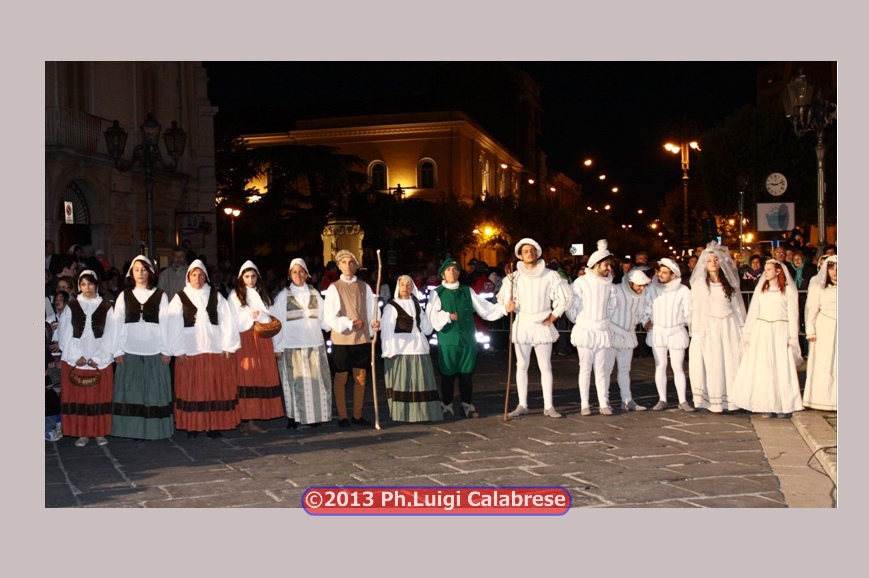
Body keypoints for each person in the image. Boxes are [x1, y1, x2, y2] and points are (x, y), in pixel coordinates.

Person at [167, 260, 241, 438]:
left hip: (213, 350)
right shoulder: (180, 297)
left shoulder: (216, 296)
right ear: (188, 277)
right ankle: (193, 426)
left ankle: (213, 425)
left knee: (213, 389)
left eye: (201, 275)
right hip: (190, 351)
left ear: (206, 277)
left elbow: (227, 321)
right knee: (192, 390)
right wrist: (178, 350)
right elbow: (173, 325)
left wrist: (228, 345)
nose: (198, 278)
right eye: (194, 275)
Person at [500, 238, 573, 418]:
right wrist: (509, 306)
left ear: (537, 253)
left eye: (532, 250)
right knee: (521, 365)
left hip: (542, 324)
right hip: (523, 324)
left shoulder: (550, 275)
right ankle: (522, 404)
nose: (529, 253)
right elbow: (503, 299)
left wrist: (554, 315)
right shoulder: (513, 277)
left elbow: (565, 297)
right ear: (520, 255)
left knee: (545, 366)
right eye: (525, 251)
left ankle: (548, 406)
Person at [428, 257, 507, 418]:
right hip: (448, 340)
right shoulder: (437, 293)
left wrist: (504, 308)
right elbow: (432, 316)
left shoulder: (467, 290)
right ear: (443, 274)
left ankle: (466, 406)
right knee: (448, 375)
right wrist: (448, 316)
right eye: (449, 270)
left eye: (455, 270)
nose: (452, 272)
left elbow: (485, 308)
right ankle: (447, 405)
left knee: (466, 374)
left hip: (467, 339)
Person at [109, 255, 175, 440]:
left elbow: (165, 323)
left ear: (150, 272)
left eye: (144, 269)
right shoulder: (124, 296)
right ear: (131, 273)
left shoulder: (160, 295)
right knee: (132, 393)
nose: (140, 273)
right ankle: (133, 430)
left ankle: (155, 430)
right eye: (136, 269)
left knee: (153, 393)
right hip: (130, 350)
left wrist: (166, 349)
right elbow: (117, 324)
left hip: (154, 350)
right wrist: (117, 350)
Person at [729, 259, 803, 418]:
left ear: (778, 271)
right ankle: (766, 404)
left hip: (780, 331)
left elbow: (793, 316)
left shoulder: (788, 291)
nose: (766, 272)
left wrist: (792, 338)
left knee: (780, 367)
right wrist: (748, 334)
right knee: (765, 367)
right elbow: (753, 312)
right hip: (762, 331)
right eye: (765, 269)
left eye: (769, 269)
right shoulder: (761, 290)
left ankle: (782, 405)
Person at [271, 258, 333, 428]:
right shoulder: (283, 296)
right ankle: (294, 417)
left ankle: (314, 417)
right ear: (290, 275)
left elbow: (325, 319)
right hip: (292, 347)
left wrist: (337, 323)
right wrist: (278, 347)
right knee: (294, 384)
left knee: (315, 383)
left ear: (307, 274)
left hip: (314, 345)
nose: (298, 275)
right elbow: (277, 322)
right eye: (294, 272)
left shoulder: (315, 294)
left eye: (301, 272)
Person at [57, 269, 116, 447]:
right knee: (80, 398)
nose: (87, 287)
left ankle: (99, 432)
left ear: (96, 285)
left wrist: (99, 357)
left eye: (90, 283)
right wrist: (76, 356)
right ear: (79, 286)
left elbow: (111, 334)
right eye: (83, 284)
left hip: (99, 357)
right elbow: (64, 334)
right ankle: (82, 432)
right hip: (78, 357)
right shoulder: (72, 306)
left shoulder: (106, 307)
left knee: (98, 396)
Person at [688, 241, 746, 413]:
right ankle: (715, 400)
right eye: (709, 261)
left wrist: (743, 328)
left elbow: (737, 307)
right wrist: (697, 332)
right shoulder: (700, 285)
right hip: (710, 327)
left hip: (729, 326)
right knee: (714, 362)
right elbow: (696, 309)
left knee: (731, 361)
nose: (713, 263)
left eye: (715, 260)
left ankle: (733, 400)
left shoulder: (729, 283)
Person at [324, 250, 380, 427]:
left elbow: (372, 310)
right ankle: (342, 416)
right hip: (342, 339)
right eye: (344, 262)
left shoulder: (365, 286)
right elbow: (329, 315)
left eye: (351, 262)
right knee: (341, 378)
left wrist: (374, 323)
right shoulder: (334, 287)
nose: (348, 265)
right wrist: (349, 323)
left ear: (356, 266)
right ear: (339, 266)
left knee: (360, 378)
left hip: (362, 338)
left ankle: (357, 414)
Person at [228, 260, 285, 434]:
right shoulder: (235, 296)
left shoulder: (263, 294)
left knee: (260, 378)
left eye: (253, 276)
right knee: (247, 378)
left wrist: (277, 345)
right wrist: (250, 316)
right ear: (241, 278)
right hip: (246, 340)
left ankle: (253, 418)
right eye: (247, 276)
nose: (250, 280)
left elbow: (272, 316)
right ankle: (245, 419)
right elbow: (231, 320)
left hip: (262, 340)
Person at [381, 274, 444, 422]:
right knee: (405, 384)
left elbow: (426, 329)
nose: (405, 287)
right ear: (398, 287)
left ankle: (422, 413)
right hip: (401, 350)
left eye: (408, 284)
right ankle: (403, 414)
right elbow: (387, 331)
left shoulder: (417, 305)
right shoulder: (391, 307)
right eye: (402, 284)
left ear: (412, 287)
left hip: (419, 348)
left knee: (420, 383)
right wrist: (388, 351)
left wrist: (437, 315)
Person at [565, 239, 615, 416]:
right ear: (596, 264)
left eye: (609, 265)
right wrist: (580, 321)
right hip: (585, 330)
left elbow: (612, 306)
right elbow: (572, 305)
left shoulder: (609, 285)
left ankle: (603, 403)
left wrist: (605, 321)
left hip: (601, 330)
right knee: (585, 368)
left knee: (601, 370)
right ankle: (584, 404)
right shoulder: (581, 282)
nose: (609, 268)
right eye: (606, 265)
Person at [641, 258, 693, 412]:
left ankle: (682, 400)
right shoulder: (651, 289)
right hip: (658, 331)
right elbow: (645, 307)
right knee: (660, 365)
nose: (660, 274)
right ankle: (662, 399)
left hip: (676, 331)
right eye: (660, 271)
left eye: (665, 272)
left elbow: (689, 311)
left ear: (673, 275)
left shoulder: (683, 290)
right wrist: (645, 321)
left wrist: (684, 323)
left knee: (678, 366)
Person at [605, 269, 652, 411]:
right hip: (612, 333)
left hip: (628, 334)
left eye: (644, 285)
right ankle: (604, 400)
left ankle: (627, 400)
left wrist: (645, 322)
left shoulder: (643, 295)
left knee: (625, 369)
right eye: (639, 285)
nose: (642, 288)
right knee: (606, 370)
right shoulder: (616, 290)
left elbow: (642, 312)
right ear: (631, 283)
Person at [802, 256, 837, 411]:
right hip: (825, 326)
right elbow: (812, 309)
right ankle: (822, 398)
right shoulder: (819, 287)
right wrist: (810, 330)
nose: (835, 272)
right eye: (832, 268)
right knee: (824, 361)